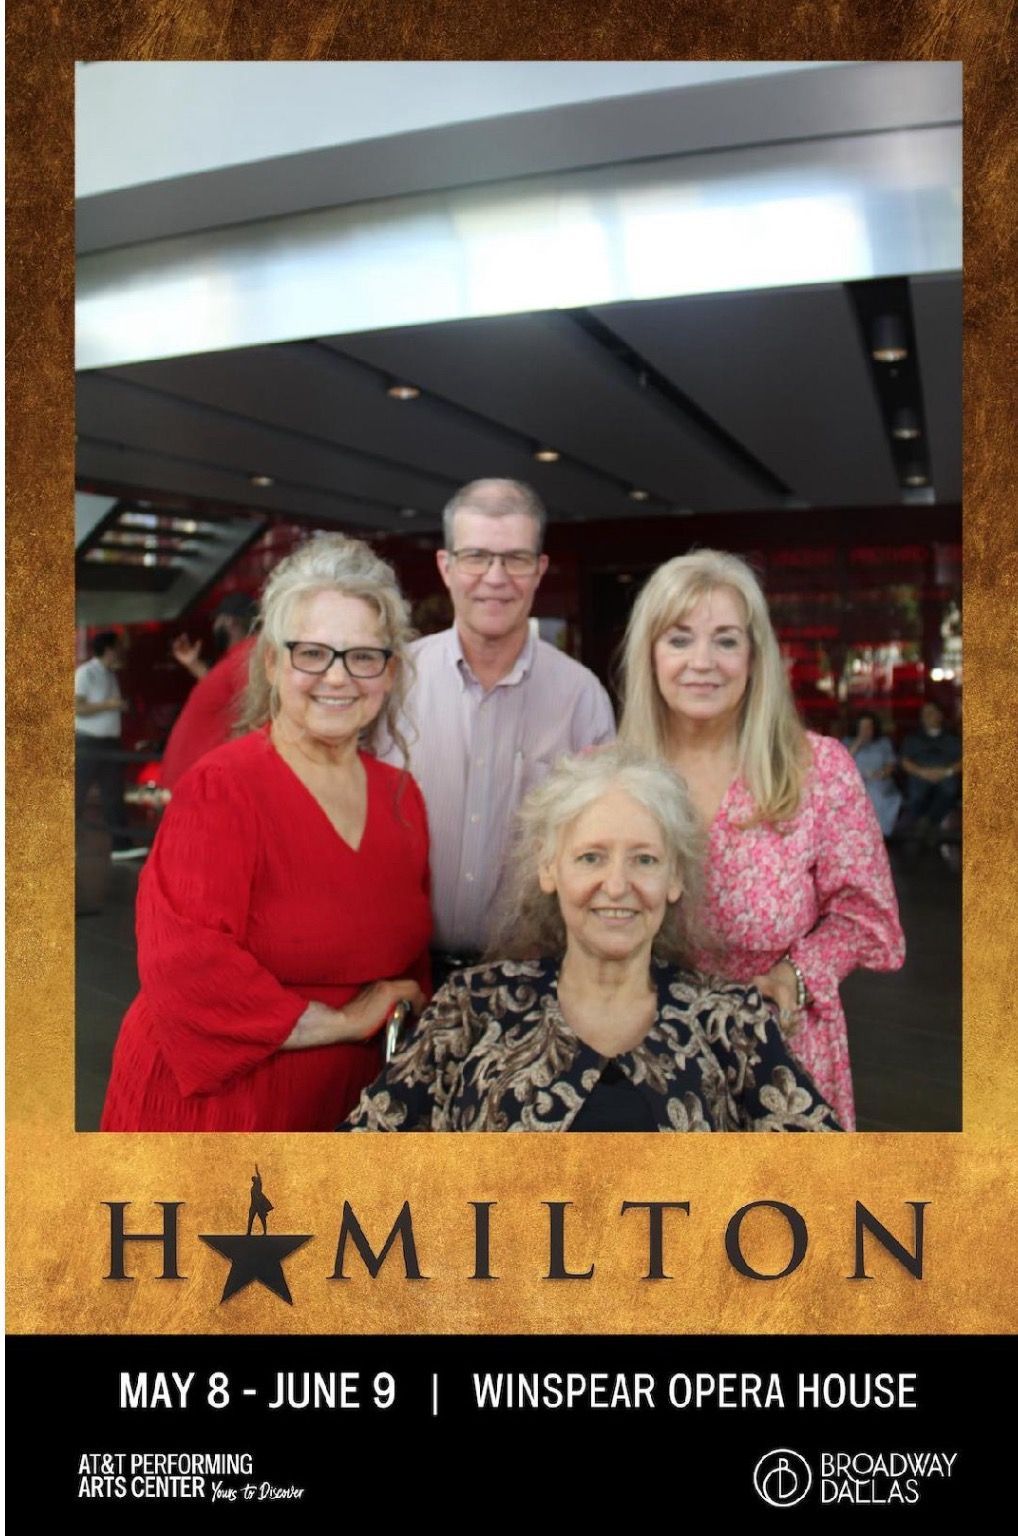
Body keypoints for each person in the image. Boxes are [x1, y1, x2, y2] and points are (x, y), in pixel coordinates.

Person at [101, 534, 431, 1132]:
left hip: (345, 1111)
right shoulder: (223, 787)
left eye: (363, 656)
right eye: (313, 653)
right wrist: (349, 1021)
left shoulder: (402, 798)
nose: (338, 678)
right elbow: (188, 969)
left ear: (389, 673)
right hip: (220, 1111)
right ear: (274, 663)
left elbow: (407, 967)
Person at [342, 748, 839, 1132]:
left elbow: (840, 1189)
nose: (617, 886)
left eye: (644, 859)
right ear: (548, 868)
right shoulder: (474, 1007)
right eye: (591, 858)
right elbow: (358, 1163)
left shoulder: (733, 1022)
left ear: (674, 879)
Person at [617, 550, 904, 1131]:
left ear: (755, 656)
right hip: (643, 1059)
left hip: (780, 1056)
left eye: (725, 640)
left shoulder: (816, 769)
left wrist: (795, 975)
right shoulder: (610, 775)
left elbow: (865, 917)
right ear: (650, 654)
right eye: (679, 640)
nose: (703, 662)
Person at [381, 478, 615, 986]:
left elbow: (602, 847)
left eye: (515, 558)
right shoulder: (391, 683)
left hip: (534, 985)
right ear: (445, 567)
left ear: (539, 571)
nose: (495, 577)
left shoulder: (581, 697)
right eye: (476, 557)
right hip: (399, 978)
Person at [161, 592, 258, 791]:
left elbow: (252, 714)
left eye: (217, 620)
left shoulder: (247, 656)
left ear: (229, 621)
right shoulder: (239, 656)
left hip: (207, 783)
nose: (214, 626)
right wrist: (194, 664)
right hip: (200, 780)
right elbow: (226, 695)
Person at [74, 629, 130, 848]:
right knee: (78, 793)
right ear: (108, 649)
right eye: (118, 647)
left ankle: (122, 845)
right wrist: (110, 705)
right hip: (88, 742)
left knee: (114, 794)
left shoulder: (110, 674)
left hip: (110, 742)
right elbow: (77, 707)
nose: (121, 651)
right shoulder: (86, 673)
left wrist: (117, 706)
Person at [901, 701, 962, 840]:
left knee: (950, 791)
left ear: (940, 716)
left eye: (931, 713)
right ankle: (929, 827)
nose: (927, 717)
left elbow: (964, 760)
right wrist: (923, 773)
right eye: (924, 714)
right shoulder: (912, 738)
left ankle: (926, 824)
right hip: (920, 774)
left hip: (946, 774)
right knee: (916, 794)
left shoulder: (953, 738)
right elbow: (905, 762)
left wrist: (946, 772)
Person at [842, 710, 902, 838]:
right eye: (863, 726)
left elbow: (891, 764)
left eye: (869, 726)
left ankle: (878, 833)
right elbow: (843, 762)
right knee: (859, 792)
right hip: (854, 781)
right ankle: (860, 833)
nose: (866, 729)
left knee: (876, 792)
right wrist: (858, 742)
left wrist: (881, 773)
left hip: (879, 779)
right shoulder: (847, 741)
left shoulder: (883, 742)